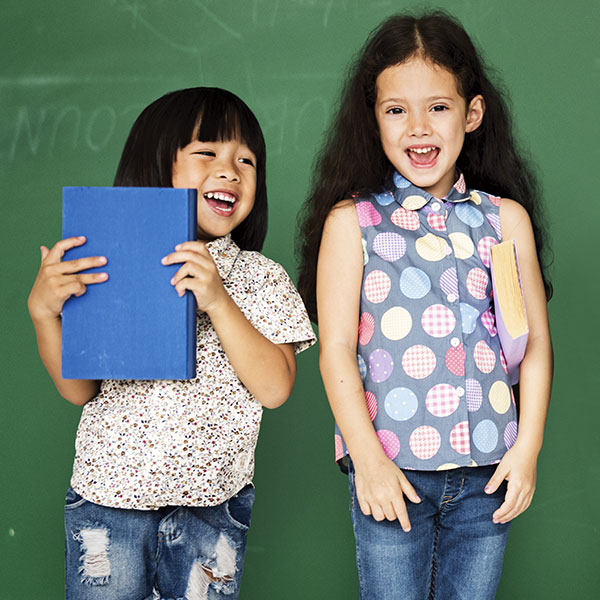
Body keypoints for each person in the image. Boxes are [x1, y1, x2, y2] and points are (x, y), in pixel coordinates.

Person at [297, 11, 553, 600]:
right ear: (373, 118)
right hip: (393, 470)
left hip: (490, 469)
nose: (418, 127)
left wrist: (528, 448)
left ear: (472, 113)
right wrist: (368, 460)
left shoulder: (504, 220)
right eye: (396, 110)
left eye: (438, 106)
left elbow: (536, 342)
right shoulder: (352, 222)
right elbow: (335, 349)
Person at [28, 87, 315, 600]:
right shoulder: (111, 265)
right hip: (108, 501)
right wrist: (44, 312)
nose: (230, 171)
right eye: (207, 152)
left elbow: (275, 389)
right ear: (159, 163)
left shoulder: (260, 277)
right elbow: (79, 390)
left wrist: (219, 301)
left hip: (212, 509)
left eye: (246, 161)